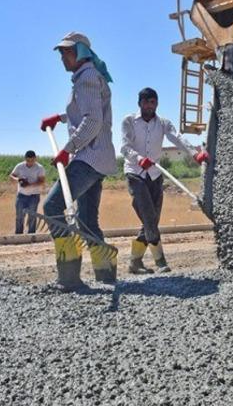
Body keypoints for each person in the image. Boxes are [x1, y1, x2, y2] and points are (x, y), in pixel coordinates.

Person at [40, 32, 117, 290]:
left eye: (66, 52)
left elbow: (92, 121)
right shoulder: (89, 77)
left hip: (89, 156)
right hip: (98, 157)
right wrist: (60, 118)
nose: (62, 57)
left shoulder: (86, 78)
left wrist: (67, 149)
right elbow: (86, 110)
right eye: (61, 52)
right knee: (87, 219)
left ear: (80, 52)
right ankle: (106, 274)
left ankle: (69, 274)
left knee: (52, 207)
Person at [121, 87, 208, 274]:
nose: (150, 106)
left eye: (153, 102)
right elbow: (124, 147)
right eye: (146, 102)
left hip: (155, 175)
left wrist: (195, 154)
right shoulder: (128, 121)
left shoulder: (163, 123)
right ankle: (161, 262)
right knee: (149, 218)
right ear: (140, 103)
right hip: (135, 174)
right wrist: (138, 159)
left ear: (156, 104)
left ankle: (134, 263)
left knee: (151, 221)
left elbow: (177, 138)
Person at [9, 150, 46, 234]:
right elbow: (11, 176)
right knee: (19, 216)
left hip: (34, 196)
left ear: (35, 159)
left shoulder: (40, 168)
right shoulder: (20, 166)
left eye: (32, 160)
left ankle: (31, 235)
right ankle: (18, 235)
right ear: (25, 159)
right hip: (21, 195)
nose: (30, 163)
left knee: (32, 217)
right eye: (28, 160)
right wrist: (18, 179)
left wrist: (29, 184)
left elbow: (42, 181)